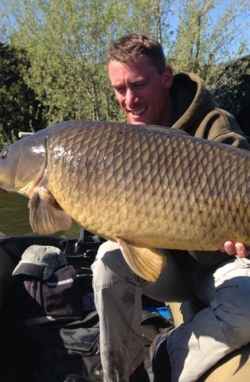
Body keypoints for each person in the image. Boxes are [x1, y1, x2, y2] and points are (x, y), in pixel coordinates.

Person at [91, 33, 250, 382]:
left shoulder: (215, 126)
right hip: (162, 267)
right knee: (106, 264)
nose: (129, 100)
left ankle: (167, 353)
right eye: (119, 89)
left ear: (166, 78)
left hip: (217, 262)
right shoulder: (117, 141)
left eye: (138, 84)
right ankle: (125, 374)